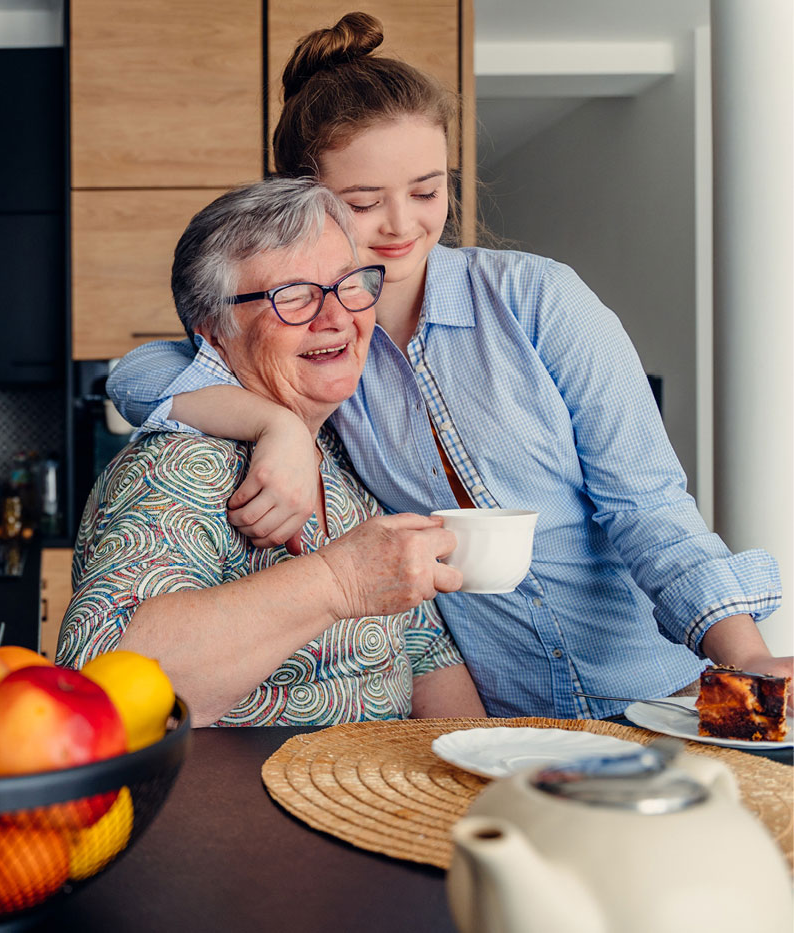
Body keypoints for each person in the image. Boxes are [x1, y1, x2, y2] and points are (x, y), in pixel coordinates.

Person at [107, 12, 791, 720]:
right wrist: (273, 423)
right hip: (505, 717)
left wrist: (744, 657)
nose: (403, 225)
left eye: (427, 191)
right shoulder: (325, 345)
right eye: (363, 202)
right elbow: (138, 373)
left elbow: (647, 507)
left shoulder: (537, 299)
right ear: (301, 202)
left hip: (657, 695)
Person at [57, 177, 485, 728]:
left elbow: (426, 654)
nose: (335, 317)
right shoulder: (181, 467)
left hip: (373, 802)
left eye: (347, 284)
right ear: (214, 333)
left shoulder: (347, 450)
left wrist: (469, 777)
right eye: (293, 296)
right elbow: (103, 679)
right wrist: (339, 581)